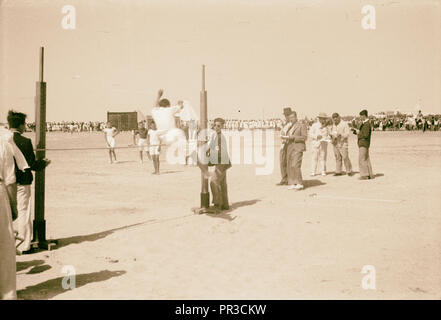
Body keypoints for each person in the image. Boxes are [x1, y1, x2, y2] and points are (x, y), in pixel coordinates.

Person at [7, 111, 51, 255]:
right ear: (20, 125)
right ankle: (24, 246)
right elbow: (31, 164)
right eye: (24, 124)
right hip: (21, 183)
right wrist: (44, 163)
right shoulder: (25, 142)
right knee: (23, 212)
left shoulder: (3, 140)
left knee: (7, 213)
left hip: (6, 183)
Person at [0, 136, 18, 300]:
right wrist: (13, 207)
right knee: (4, 246)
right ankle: (7, 294)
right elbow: (10, 180)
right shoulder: (2, 144)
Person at [207, 118, 231, 210]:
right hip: (223, 163)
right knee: (222, 184)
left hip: (221, 162)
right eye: (215, 125)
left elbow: (218, 152)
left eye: (218, 126)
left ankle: (217, 204)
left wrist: (209, 160)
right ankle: (225, 204)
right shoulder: (216, 135)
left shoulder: (220, 137)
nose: (216, 127)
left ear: (222, 126)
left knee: (214, 182)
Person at [283, 111, 307, 190]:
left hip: (298, 147)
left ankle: (300, 183)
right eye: (290, 118)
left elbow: (304, 137)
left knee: (295, 165)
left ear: (296, 117)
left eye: (292, 117)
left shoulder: (301, 125)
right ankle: (293, 182)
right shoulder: (290, 126)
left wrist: (293, 137)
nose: (291, 119)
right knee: (290, 165)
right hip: (290, 147)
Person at [352, 109, 374, 180]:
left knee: (361, 159)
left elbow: (365, 135)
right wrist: (355, 132)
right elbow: (363, 133)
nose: (360, 117)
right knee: (366, 159)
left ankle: (364, 175)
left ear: (364, 116)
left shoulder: (366, 124)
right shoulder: (366, 123)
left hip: (363, 143)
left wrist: (358, 133)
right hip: (365, 143)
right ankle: (370, 174)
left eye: (361, 116)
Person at [276, 107, 293, 186]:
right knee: (282, 162)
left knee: (288, 162)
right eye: (285, 115)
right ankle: (284, 178)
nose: (286, 116)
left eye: (288, 115)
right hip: (283, 144)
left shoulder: (292, 123)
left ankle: (289, 179)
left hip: (289, 144)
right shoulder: (285, 123)